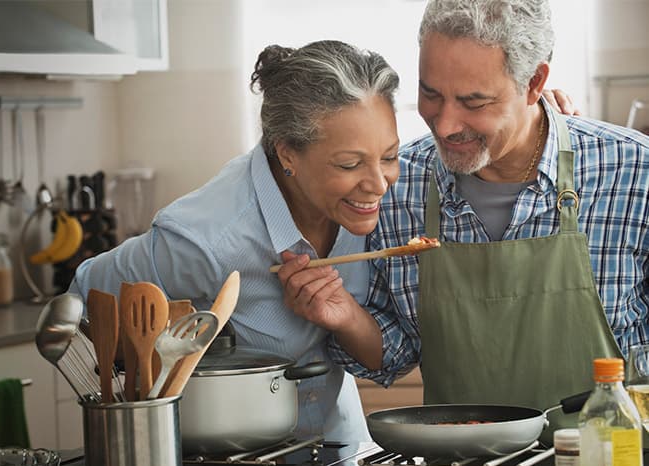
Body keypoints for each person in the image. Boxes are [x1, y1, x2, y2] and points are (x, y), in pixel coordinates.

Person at [276, 0, 649, 437]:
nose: (446, 124)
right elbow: (395, 354)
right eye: (431, 94)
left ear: (534, 83)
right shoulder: (398, 185)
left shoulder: (633, 172)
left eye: (474, 101)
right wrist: (344, 316)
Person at [69, 39, 401, 442]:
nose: (378, 183)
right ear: (288, 154)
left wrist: (346, 315)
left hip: (339, 444)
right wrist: (161, 367)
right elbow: (83, 301)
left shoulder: (367, 210)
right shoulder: (205, 238)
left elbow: (383, 357)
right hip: (226, 461)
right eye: (349, 164)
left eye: (389, 157)